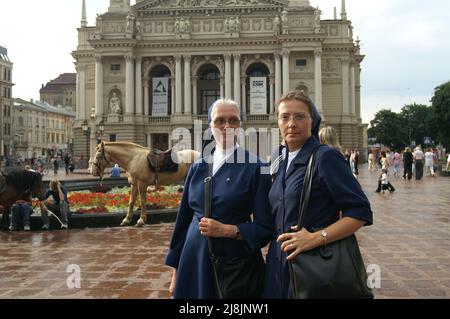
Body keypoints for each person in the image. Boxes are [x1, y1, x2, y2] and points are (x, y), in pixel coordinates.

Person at [264, 90, 373, 299]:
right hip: (278, 266)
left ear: (312, 120)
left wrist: (316, 237)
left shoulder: (325, 157)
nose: (291, 123)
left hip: (312, 266)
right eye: (285, 117)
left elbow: (360, 212)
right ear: (277, 121)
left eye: (300, 116)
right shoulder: (280, 157)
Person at [165, 98, 274, 299]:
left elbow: (266, 227)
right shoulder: (198, 167)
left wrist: (229, 231)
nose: (227, 126)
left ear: (240, 125)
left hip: (234, 267)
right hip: (193, 261)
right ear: (210, 126)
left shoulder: (256, 168)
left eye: (233, 120)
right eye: (220, 121)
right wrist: (176, 273)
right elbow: (183, 221)